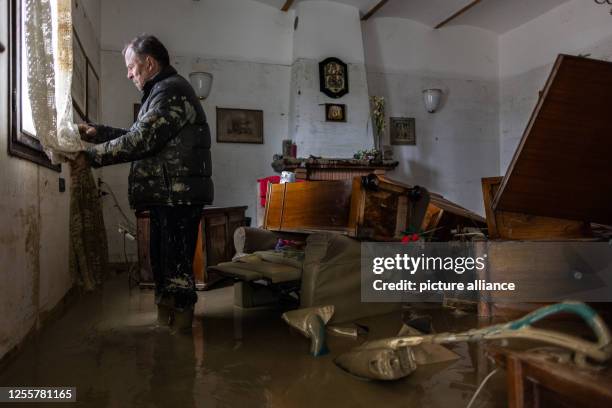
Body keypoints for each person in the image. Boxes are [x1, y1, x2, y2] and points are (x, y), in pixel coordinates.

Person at [73, 34, 213, 330]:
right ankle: (168, 324)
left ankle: (181, 333)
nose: (128, 74)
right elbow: (140, 133)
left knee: (175, 267)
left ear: (149, 63)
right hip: (169, 193)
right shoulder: (160, 92)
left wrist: (91, 157)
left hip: (178, 194)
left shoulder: (170, 90)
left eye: (131, 67)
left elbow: (142, 139)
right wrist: (96, 133)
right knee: (162, 264)